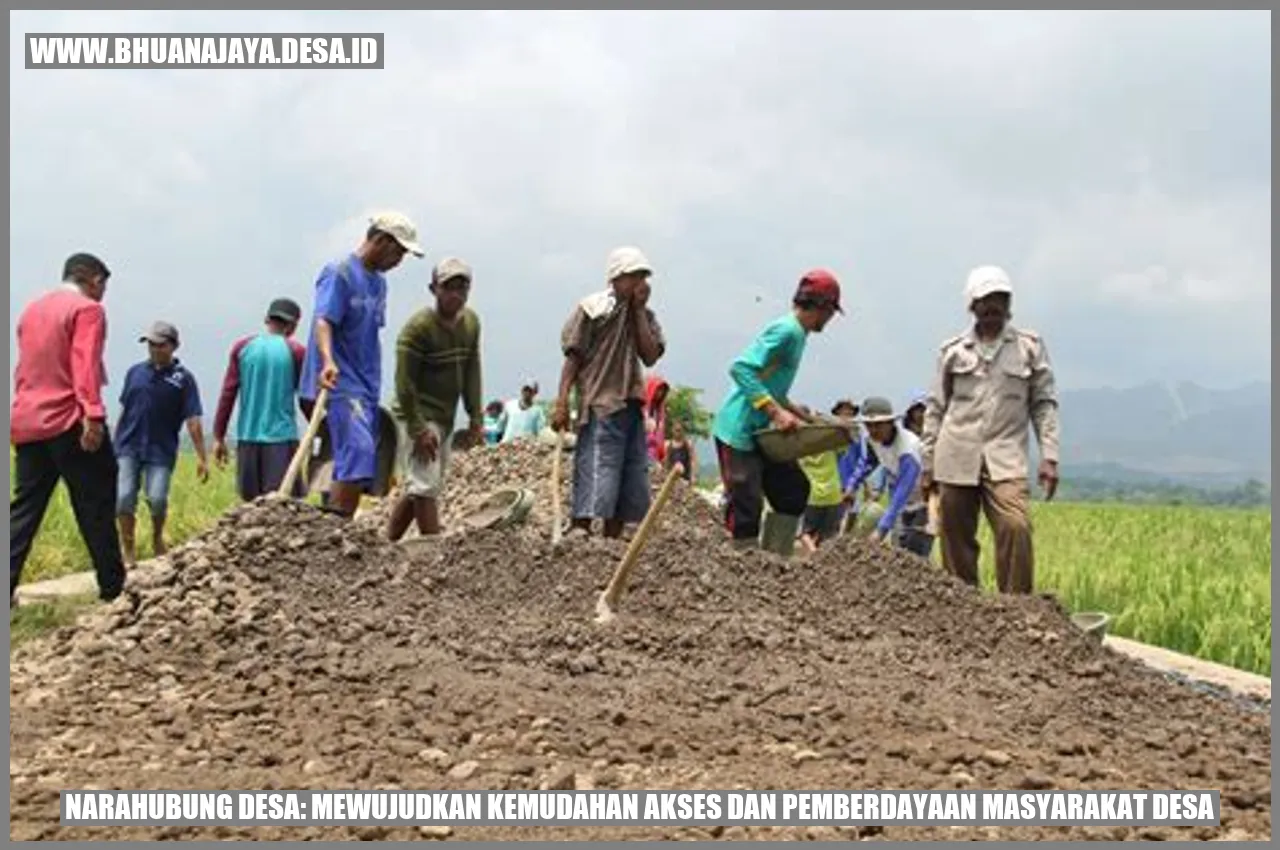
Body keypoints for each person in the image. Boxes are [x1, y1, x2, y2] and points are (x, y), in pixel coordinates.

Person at [921, 265, 1061, 594]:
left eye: (1000, 298)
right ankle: (964, 608)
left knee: (1016, 526)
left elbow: (1044, 403)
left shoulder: (1028, 347)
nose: (993, 306)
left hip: (1005, 456)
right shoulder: (953, 351)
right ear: (973, 305)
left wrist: (1049, 456)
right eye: (986, 300)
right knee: (955, 535)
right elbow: (936, 408)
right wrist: (927, 464)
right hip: (956, 455)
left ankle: (1016, 609)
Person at [10, 253, 128, 607]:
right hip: (69, 420)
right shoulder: (87, 310)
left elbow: (25, 368)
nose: (103, 293)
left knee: (25, 509)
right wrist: (92, 415)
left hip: (28, 420)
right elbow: (84, 363)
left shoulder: (31, 310)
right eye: (103, 286)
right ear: (93, 280)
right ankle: (113, 589)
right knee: (96, 503)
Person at [299, 211, 424, 518]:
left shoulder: (379, 284)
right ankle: (337, 524)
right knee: (358, 449)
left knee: (358, 458)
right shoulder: (339, 273)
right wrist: (327, 360)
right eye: (399, 252)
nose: (399, 261)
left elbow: (370, 332)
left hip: (365, 381)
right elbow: (324, 321)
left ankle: (338, 522)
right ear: (380, 241)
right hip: (339, 379)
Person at [711, 269, 844, 555]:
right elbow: (741, 369)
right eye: (831, 311)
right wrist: (775, 413)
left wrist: (805, 417)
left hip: (761, 433)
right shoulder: (787, 330)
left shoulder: (799, 336)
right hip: (738, 432)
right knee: (746, 504)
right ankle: (741, 566)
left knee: (793, 491)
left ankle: (774, 563)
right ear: (822, 306)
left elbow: (775, 388)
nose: (831, 319)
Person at [550, 246, 666, 539]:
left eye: (643, 277)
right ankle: (581, 528)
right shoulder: (594, 309)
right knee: (597, 467)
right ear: (616, 279)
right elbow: (573, 358)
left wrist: (638, 311)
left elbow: (650, 355)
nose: (640, 284)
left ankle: (611, 540)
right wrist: (562, 400)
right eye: (634, 277)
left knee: (629, 475)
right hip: (601, 401)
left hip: (630, 404)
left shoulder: (645, 317)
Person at [386, 257, 484, 540]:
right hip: (415, 412)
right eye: (449, 288)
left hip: (445, 415)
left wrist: (475, 415)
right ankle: (434, 549)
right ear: (434, 289)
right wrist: (418, 428)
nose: (456, 295)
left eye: (462, 288)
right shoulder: (418, 329)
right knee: (425, 486)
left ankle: (388, 544)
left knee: (423, 484)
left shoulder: (471, 323)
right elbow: (404, 384)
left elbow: (471, 370)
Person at [114, 321, 209, 565]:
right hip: (128, 445)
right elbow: (124, 409)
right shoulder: (135, 372)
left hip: (160, 449)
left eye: (160, 345)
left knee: (157, 498)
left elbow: (193, 419)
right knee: (124, 497)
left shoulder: (183, 379)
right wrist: (113, 444)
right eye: (151, 344)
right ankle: (128, 549)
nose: (155, 349)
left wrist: (201, 457)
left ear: (173, 346)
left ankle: (157, 537)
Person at [212, 298, 307, 501]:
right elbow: (305, 398)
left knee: (251, 504)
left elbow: (228, 393)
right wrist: (320, 429)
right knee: (282, 503)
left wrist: (219, 436)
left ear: (267, 319)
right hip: (281, 438)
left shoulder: (243, 348)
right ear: (292, 326)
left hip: (247, 437)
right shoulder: (295, 351)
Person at [844, 396, 932, 556]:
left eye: (878, 425)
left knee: (917, 554)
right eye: (869, 426)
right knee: (898, 551)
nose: (873, 430)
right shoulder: (873, 440)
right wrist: (852, 486)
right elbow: (867, 462)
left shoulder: (908, 449)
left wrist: (882, 529)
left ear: (890, 423)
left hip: (922, 503)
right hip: (900, 505)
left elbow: (903, 491)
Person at [643, 375, 670, 465]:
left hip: (654, 452)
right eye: (658, 389)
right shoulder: (642, 409)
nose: (660, 393)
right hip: (641, 449)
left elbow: (660, 433)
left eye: (662, 391)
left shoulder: (659, 412)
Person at [664, 420, 696, 484]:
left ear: (683, 431)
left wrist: (693, 475)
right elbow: (666, 461)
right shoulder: (668, 445)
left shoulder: (687, 444)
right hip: (672, 477)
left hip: (685, 478)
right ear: (672, 430)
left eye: (679, 430)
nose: (678, 433)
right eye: (676, 430)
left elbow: (693, 460)